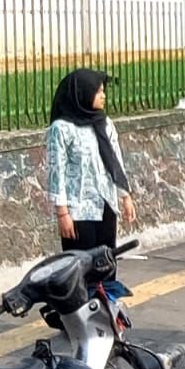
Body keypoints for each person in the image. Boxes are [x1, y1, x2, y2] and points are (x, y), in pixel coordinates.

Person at [47, 68, 135, 252]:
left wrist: (125, 196)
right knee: (82, 264)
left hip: (105, 204)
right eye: (98, 91)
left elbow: (114, 160)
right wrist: (62, 213)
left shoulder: (104, 123)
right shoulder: (62, 128)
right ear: (83, 93)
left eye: (103, 91)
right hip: (78, 211)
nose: (104, 96)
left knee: (106, 260)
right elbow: (56, 172)